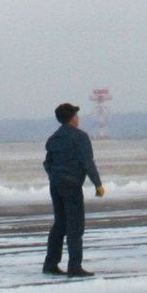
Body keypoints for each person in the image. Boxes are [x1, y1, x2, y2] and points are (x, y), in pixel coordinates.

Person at [42, 101, 105, 275]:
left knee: (60, 224)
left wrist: (54, 176)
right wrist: (98, 184)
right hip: (72, 185)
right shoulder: (80, 137)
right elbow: (87, 162)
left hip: (56, 185)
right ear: (72, 118)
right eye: (76, 115)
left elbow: (47, 163)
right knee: (75, 226)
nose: (78, 118)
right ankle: (74, 266)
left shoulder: (54, 139)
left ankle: (50, 264)